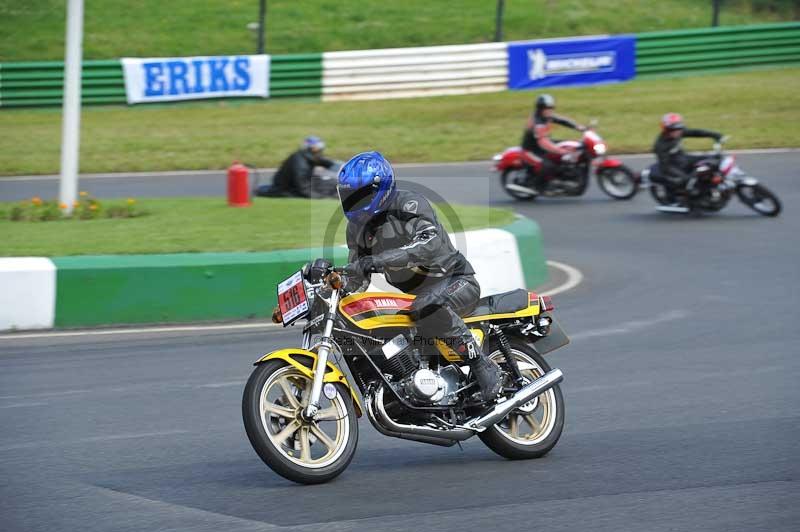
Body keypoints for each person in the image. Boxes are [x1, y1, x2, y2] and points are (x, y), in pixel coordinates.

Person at [338, 151, 503, 402]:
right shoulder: (357, 229)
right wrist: (335, 283)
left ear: (380, 188)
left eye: (361, 196)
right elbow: (358, 276)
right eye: (349, 196)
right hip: (417, 294)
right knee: (378, 323)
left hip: (456, 280)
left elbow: (429, 244)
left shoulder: (409, 204)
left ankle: (483, 365)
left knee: (426, 306)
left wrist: (379, 260)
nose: (355, 203)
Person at [521, 94, 585, 192]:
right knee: (548, 166)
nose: (549, 110)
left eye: (551, 107)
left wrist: (579, 127)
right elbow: (542, 142)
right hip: (531, 150)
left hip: (543, 144)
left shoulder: (546, 116)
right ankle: (539, 186)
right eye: (546, 108)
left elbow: (563, 121)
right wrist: (559, 151)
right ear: (540, 109)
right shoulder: (537, 122)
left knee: (570, 145)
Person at [653, 113, 723, 200]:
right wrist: (685, 177)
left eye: (679, 128)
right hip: (674, 166)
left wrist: (714, 135)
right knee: (689, 181)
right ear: (666, 129)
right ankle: (690, 198)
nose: (677, 131)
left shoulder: (678, 132)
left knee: (711, 159)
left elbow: (695, 132)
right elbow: (665, 166)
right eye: (673, 129)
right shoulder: (660, 145)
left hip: (684, 158)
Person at [254, 136, 336, 198]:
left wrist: (337, 166)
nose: (320, 152)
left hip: (300, 183)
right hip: (289, 189)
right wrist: (324, 197)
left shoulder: (306, 156)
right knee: (328, 188)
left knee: (330, 182)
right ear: (310, 149)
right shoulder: (301, 165)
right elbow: (304, 190)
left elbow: (324, 162)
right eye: (317, 150)